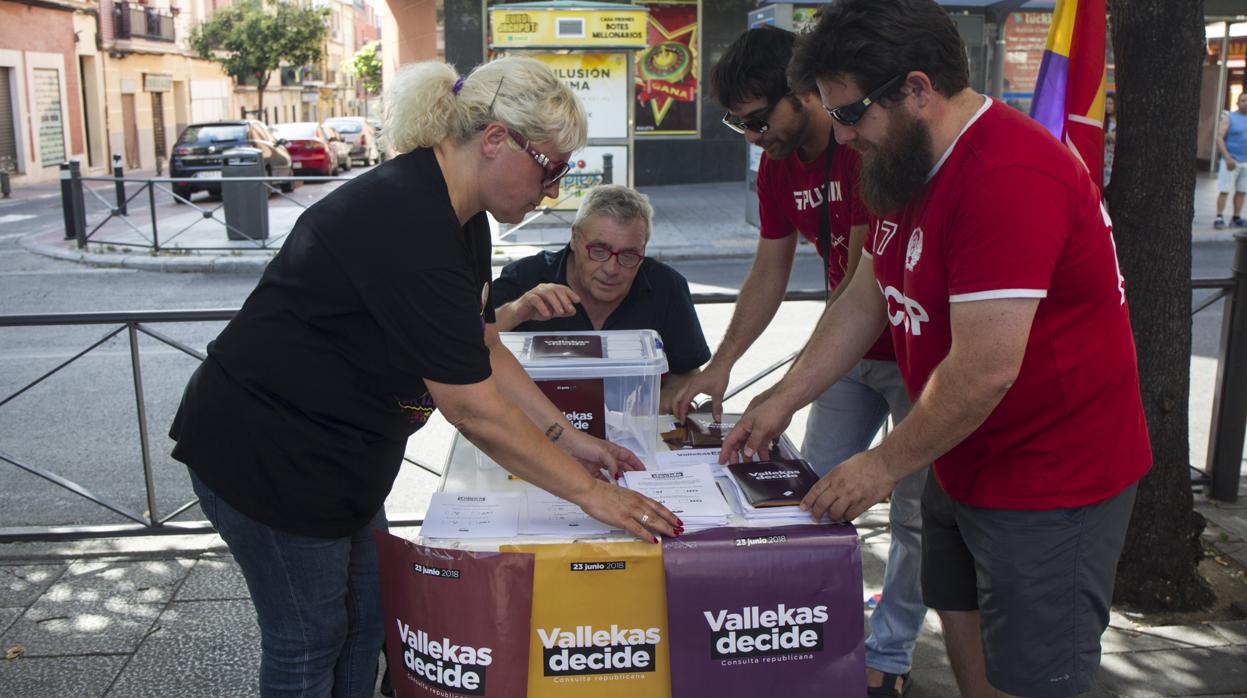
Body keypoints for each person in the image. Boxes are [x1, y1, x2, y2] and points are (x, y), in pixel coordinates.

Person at [168, 56, 682, 697]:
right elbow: (472, 408)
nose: (552, 191)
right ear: (495, 139)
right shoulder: (407, 219)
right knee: (309, 639)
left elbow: (483, 344)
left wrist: (572, 438)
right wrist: (593, 495)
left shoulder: (457, 215)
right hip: (270, 453)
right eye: (550, 167)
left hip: (339, 454)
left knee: (364, 623)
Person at [722, 2, 1151, 696]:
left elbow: (985, 369)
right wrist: (781, 400)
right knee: (961, 624)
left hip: (1050, 475)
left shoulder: (1005, 175)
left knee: (1036, 675)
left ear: (917, 89)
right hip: (961, 453)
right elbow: (864, 298)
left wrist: (880, 465)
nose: (840, 132)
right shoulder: (901, 160)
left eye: (851, 111)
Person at [671, 26, 926, 698]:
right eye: (738, 125)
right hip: (845, 361)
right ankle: (814, 631)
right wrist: (722, 363)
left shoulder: (862, 145)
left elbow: (859, 291)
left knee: (915, 516)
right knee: (807, 500)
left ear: (806, 93)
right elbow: (767, 268)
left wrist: (789, 385)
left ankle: (889, 656)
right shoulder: (780, 167)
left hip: (914, 356)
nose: (753, 137)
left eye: (759, 119)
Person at [491, 183, 711, 409]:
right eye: (599, 251)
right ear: (575, 238)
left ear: (643, 250)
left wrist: (636, 415)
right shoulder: (525, 277)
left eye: (628, 255)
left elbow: (688, 376)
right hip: (536, 432)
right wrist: (515, 312)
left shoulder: (667, 286)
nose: (612, 269)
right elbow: (468, 343)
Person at [1215, 92, 1247, 229]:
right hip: (1230, 161)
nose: (1246, 103)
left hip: (1245, 162)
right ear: (1237, 103)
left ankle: (1236, 217)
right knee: (1224, 190)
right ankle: (1219, 217)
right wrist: (1227, 157)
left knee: (1241, 191)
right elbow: (1220, 137)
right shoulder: (1229, 118)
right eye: (1243, 100)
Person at [1102, 92, 1115, 188]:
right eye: (1106, 103)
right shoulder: (1104, 121)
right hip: (1105, 159)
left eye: (1110, 103)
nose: (1108, 106)